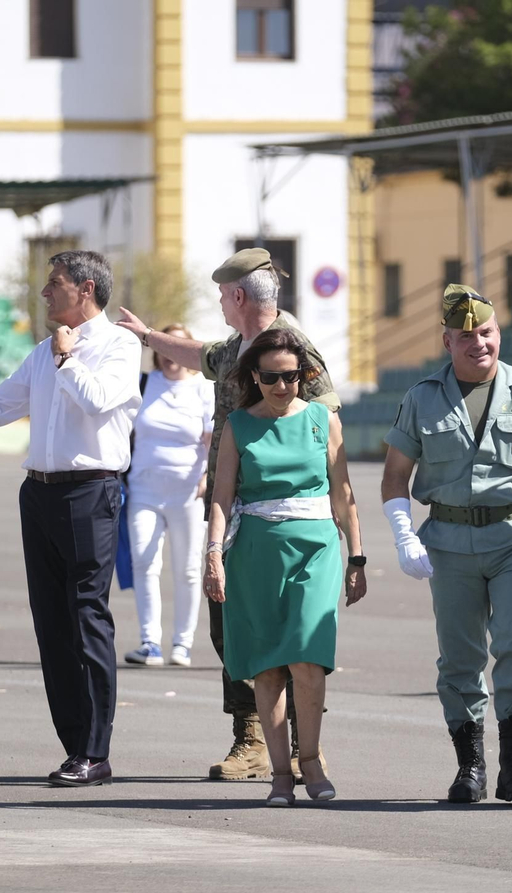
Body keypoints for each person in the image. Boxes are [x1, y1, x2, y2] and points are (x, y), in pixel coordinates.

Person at [0, 249, 141, 787]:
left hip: (90, 492)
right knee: (51, 625)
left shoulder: (119, 346)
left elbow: (101, 401)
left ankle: (96, 750)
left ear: (85, 289)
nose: (44, 294)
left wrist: (68, 360)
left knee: (87, 617)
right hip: (39, 494)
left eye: (54, 284)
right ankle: (73, 746)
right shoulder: (43, 352)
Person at [116, 248, 341, 782]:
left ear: (238, 296)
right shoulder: (241, 347)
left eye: (221, 293)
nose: (218, 301)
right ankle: (261, 734)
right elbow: (200, 355)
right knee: (235, 630)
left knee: (294, 634)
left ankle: (285, 743)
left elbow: (325, 425)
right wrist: (147, 336)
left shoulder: (290, 349)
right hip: (237, 513)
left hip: (284, 520)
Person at [381, 284, 512, 805]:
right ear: (447, 341)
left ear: (499, 333)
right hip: (449, 542)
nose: (480, 343)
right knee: (459, 658)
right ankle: (470, 766)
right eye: (467, 336)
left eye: (488, 332)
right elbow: (395, 476)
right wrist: (404, 535)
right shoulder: (422, 397)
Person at [204, 329, 366, 806]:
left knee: (308, 656)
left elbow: (344, 497)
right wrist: (214, 553)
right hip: (255, 552)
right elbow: (221, 497)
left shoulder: (323, 420)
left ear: (304, 376)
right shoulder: (238, 424)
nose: (281, 386)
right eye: (271, 377)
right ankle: (279, 774)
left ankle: (310, 761)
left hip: (316, 549)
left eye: (290, 376)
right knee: (269, 666)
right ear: (255, 376)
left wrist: (357, 558)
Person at [124, 323, 215, 668]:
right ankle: (150, 643)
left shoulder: (203, 389)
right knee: (144, 563)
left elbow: (212, 439)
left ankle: (183, 644)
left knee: (189, 568)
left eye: (177, 348)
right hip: (144, 488)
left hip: (188, 492)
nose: (169, 357)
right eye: (164, 348)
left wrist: (208, 475)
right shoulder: (145, 383)